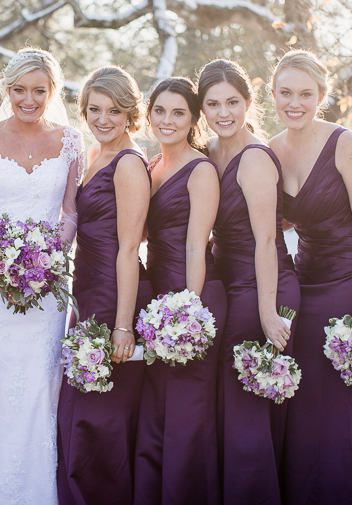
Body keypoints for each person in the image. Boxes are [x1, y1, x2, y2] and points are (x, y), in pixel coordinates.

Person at [0, 47, 83, 505]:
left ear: (52, 92)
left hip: (48, 287)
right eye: (19, 90)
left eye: (39, 91)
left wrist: (50, 258)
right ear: (5, 90)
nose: (28, 99)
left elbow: (70, 212)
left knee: (39, 384)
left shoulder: (71, 142)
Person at [268, 50, 352, 505]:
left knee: (342, 392)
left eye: (304, 94)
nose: (294, 103)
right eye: (285, 93)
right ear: (273, 94)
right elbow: (279, 221)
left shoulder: (343, 142)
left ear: (321, 96)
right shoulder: (273, 150)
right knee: (304, 395)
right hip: (308, 276)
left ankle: (350, 490)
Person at [201, 59, 300, 504]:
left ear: (248, 102)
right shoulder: (208, 152)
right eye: (213, 104)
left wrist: (266, 312)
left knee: (245, 412)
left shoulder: (255, 157)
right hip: (228, 286)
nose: (224, 113)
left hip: (264, 285)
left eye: (233, 102)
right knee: (233, 407)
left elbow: (266, 241)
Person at [57, 66, 154, 505]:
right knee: (84, 410)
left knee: (103, 418)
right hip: (87, 291)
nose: (102, 119)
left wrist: (122, 325)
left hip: (116, 293)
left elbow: (129, 249)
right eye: (94, 109)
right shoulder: (96, 155)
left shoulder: (129, 163)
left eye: (114, 111)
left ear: (130, 113)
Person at [133, 77, 228, 505]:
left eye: (178, 113)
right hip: (156, 299)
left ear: (192, 119)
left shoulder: (201, 169)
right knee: (156, 409)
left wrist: (187, 312)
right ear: (149, 114)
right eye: (160, 111)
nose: (167, 120)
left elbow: (196, 245)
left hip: (192, 296)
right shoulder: (152, 166)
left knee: (188, 411)